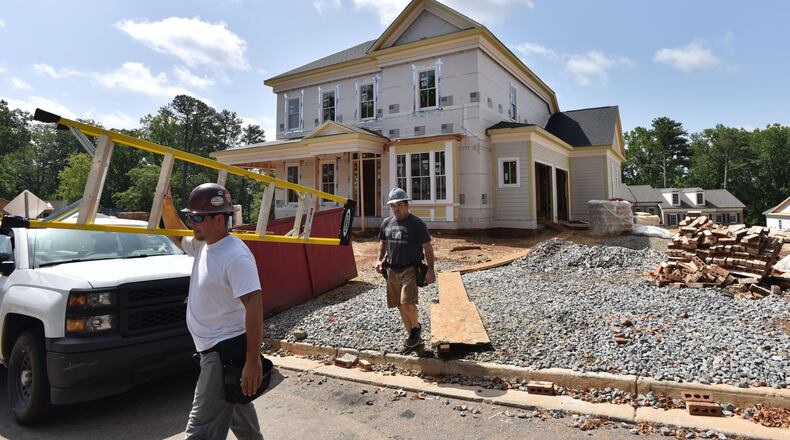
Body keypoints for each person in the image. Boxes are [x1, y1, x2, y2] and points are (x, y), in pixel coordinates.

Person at [162, 183, 264, 440]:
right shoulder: (204, 245)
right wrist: (166, 207)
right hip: (216, 349)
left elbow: (254, 305)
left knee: (200, 431)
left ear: (220, 218)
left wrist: (253, 361)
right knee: (242, 421)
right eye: (190, 216)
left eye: (197, 217)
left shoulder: (235, 256)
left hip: (223, 354)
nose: (192, 222)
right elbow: (176, 235)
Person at [375, 187, 436, 348]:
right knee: (399, 305)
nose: (396, 209)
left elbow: (428, 247)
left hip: (410, 269)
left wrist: (430, 270)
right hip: (391, 270)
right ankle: (412, 338)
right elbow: (383, 242)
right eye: (393, 205)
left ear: (407, 205)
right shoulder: (387, 223)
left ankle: (416, 327)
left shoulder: (416, 224)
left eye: (400, 205)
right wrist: (379, 260)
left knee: (407, 302)